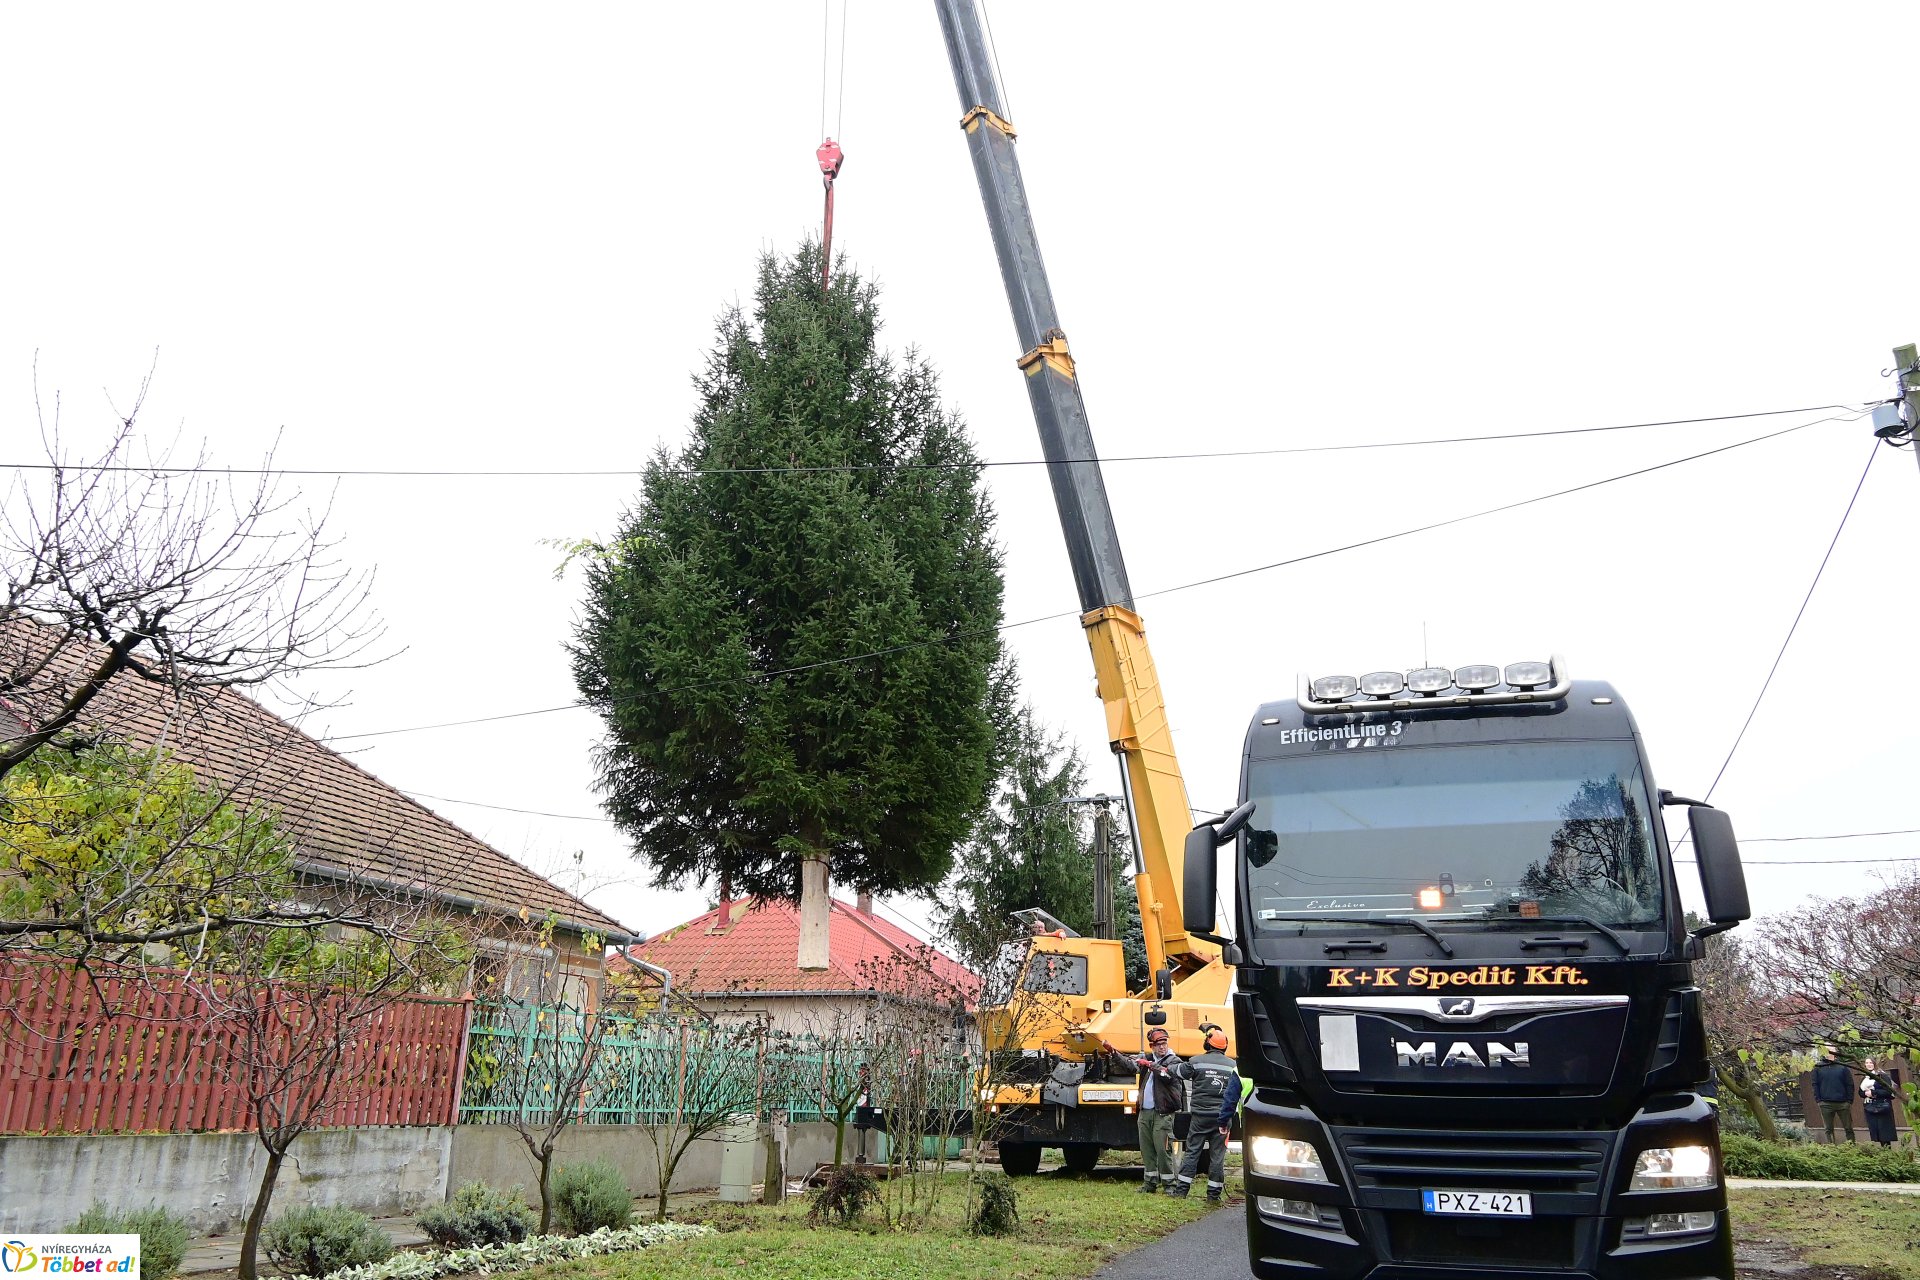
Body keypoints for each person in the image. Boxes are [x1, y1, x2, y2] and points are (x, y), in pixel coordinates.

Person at [1167, 1027, 1240, 1203]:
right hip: (1223, 1118)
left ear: (1207, 1043)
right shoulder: (1233, 1066)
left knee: (1192, 1153)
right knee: (1217, 1157)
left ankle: (1181, 1192)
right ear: (1224, 1047)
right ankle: (1213, 1196)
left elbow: (1176, 1071)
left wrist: (1167, 1064)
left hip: (1200, 1117)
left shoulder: (1196, 1062)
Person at [1133, 1027, 1184, 1193]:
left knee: (1163, 1150)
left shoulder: (1174, 1061)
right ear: (1152, 1046)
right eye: (1158, 1044)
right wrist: (1113, 1052)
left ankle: (1169, 1185)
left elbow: (1167, 1076)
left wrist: (1149, 1064)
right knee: (1147, 1149)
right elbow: (1128, 1065)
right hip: (1145, 1113)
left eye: (1164, 1043)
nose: (1162, 1047)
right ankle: (1149, 1184)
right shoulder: (1147, 1059)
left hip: (1163, 1113)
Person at [1811, 1045, 1855, 1144]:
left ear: (1835, 1051)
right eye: (1826, 1050)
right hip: (1825, 1103)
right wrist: (1819, 1100)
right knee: (1828, 1129)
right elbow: (1815, 1084)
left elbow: (1849, 1084)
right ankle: (1832, 1150)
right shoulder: (1818, 1067)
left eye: (1831, 1050)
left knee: (1848, 1128)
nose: (1829, 1052)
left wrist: (1849, 1100)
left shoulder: (1843, 1067)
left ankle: (1852, 1147)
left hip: (1843, 1103)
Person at [1861, 1057, 1898, 1147]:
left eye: (1870, 1062)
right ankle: (1883, 1154)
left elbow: (1888, 1091)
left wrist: (1873, 1092)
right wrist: (1866, 1093)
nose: (1869, 1064)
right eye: (1867, 1062)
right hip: (1870, 1107)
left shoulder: (1882, 1076)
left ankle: (1888, 1154)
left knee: (1884, 1133)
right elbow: (1860, 1092)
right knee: (1877, 1133)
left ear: (1874, 1063)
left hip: (1882, 1106)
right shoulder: (1865, 1077)